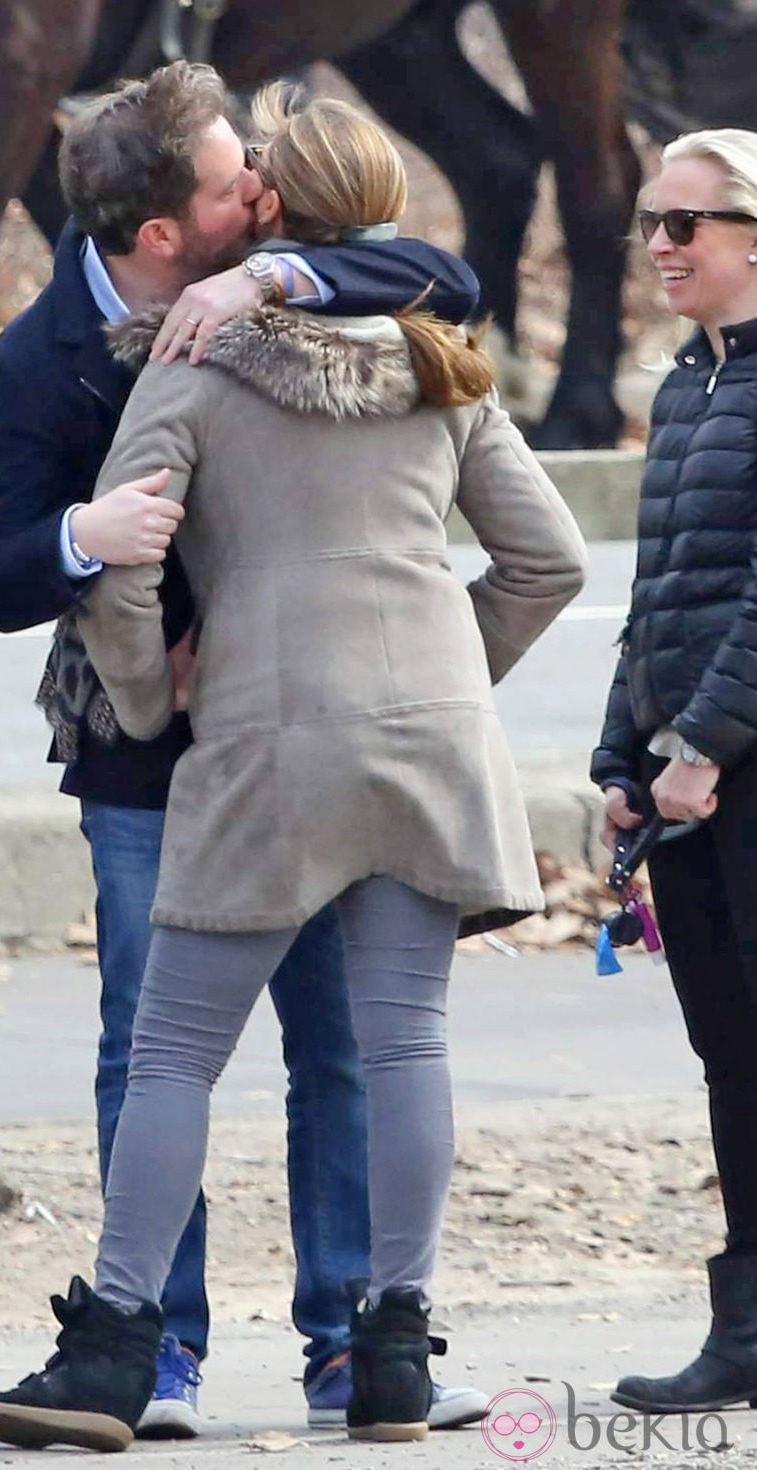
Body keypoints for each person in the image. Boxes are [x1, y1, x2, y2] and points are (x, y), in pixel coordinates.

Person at [0, 86, 587, 1452]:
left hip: (255, 745)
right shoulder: (443, 359)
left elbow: (129, 580)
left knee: (175, 1048)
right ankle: (392, 1355)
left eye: (259, 176)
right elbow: (553, 562)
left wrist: (146, 697)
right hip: (429, 748)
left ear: (275, 217)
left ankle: (120, 1345)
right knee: (401, 1039)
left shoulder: (193, 359)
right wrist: (435, 676)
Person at [592, 127, 757, 1415]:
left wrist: (702, 746)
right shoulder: (682, 390)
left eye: (687, 224)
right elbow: (655, 597)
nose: (661, 243)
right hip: (687, 783)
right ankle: (747, 1330)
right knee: (731, 1055)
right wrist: (621, 756)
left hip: (739, 772)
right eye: (654, 219)